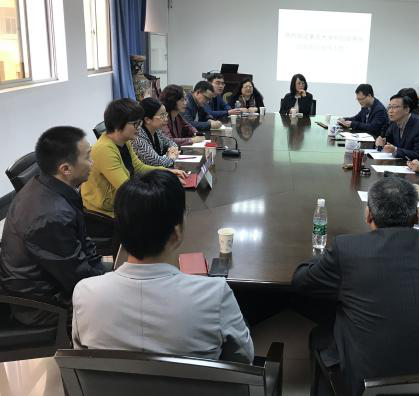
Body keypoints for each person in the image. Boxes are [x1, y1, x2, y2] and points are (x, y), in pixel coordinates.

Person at [292, 177, 419, 396]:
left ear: (368, 215)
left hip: (369, 385)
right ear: (416, 216)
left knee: (328, 324)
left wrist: (326, 257)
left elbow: (301, 280)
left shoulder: (348, 250)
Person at [73, 170, 254, 363]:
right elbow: (244, 359)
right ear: (176, 233)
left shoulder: (85, 293)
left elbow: (81, 358)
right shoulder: (214, 295)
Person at [0, 127, 106, 326]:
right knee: (121, 307)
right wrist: (109, 285)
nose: (92, 163)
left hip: (57, 278)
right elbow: (77, 278)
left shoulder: (51, 187)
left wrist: (101, 271)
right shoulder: (50, 216)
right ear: (65, 169)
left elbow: (82, 241)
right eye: (88, 157)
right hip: (43, 304)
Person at [81, 99, 186, 218]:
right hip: (105, 213)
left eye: (139, 123)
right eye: (135, 124)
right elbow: (126, 188)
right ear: (118, 124)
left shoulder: (125, 141)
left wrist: (168, 172)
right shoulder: (104, 149)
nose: (139, 128)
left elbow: (139, 167)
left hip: (122, 203)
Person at [376, 95, 419, 162]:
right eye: (389, 107)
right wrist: (381, 143)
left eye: (395, 107)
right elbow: (388, 141)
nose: (390, 111)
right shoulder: (394, 123)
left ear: (406, 110)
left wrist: (395, 150)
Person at [132, 97, 179, 168]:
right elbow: (158, 162)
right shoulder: (138, 137)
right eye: (162, 115)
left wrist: (172, 151)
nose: (166, 119)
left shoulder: (157, 131)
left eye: (166, 114)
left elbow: (172, 143)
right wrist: (171, 157)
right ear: (147, 119)